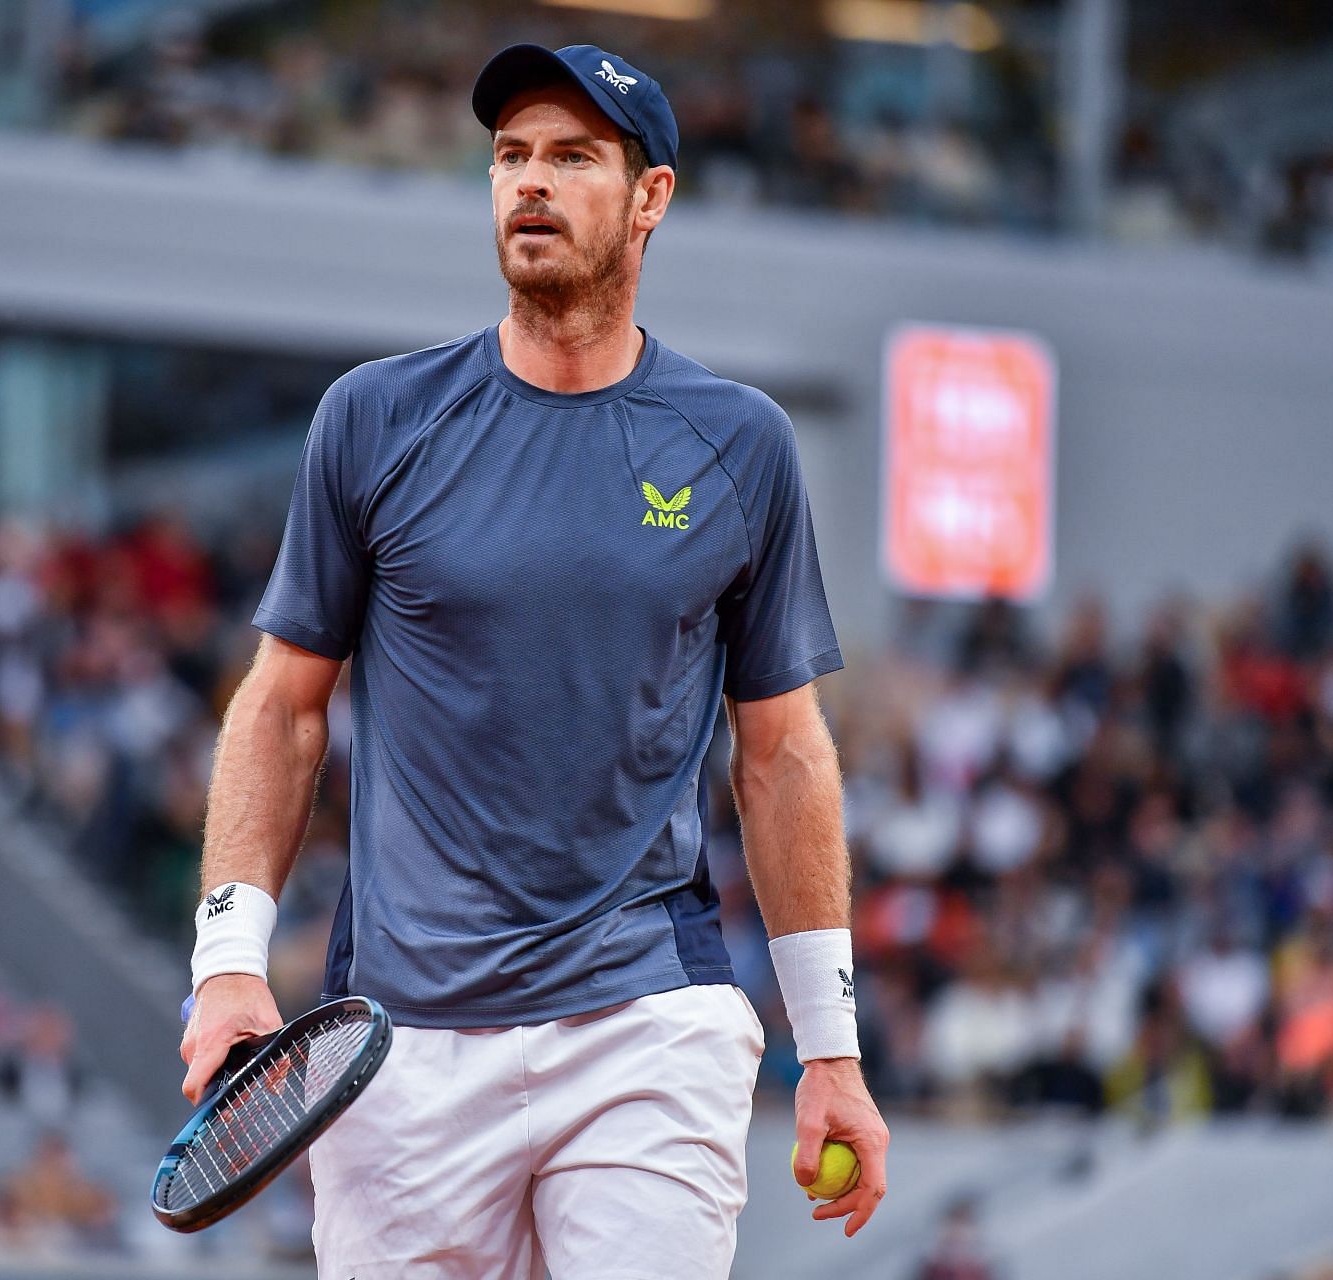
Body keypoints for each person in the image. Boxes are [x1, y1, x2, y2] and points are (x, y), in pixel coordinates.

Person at [177, 41, 890, 1278]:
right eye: (510, 156)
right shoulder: (374, 420)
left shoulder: (741, 446)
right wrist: (229, 960)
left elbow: (780, 753)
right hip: (398, 1044)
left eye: (571, 156)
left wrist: (830, 1045)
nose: (530, 184)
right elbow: (282, 709)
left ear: (651, 196)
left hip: (645, 1023)